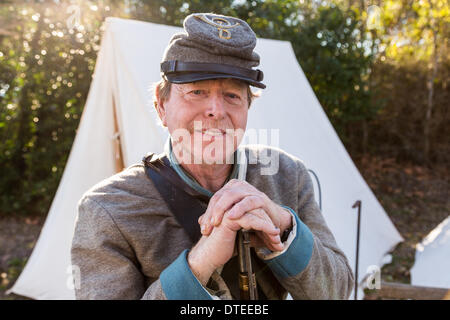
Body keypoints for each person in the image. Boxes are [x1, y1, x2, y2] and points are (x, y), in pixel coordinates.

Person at [71, 12, 354, 300]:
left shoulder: (287, 175)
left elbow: (338, 292)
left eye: (232, 95)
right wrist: (199, 265)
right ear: (161, 105)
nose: (216, 111)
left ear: (247, 107)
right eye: (197, 91)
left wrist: (283, 228)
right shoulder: (107, 209)